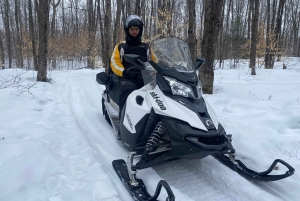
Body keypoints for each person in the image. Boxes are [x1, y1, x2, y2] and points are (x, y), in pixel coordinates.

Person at [110, 15, 150, 114]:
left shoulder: (146, 46)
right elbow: (114, 63)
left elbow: (154, 61)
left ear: (140, 30)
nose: (134, 31)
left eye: (136, 29)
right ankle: (123, 119)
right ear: (127, 30)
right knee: (129, 90)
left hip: (143, 75)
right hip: (126, 76)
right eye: (132, 29)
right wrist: (125, 72)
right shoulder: (121, 46)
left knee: (156, 91)